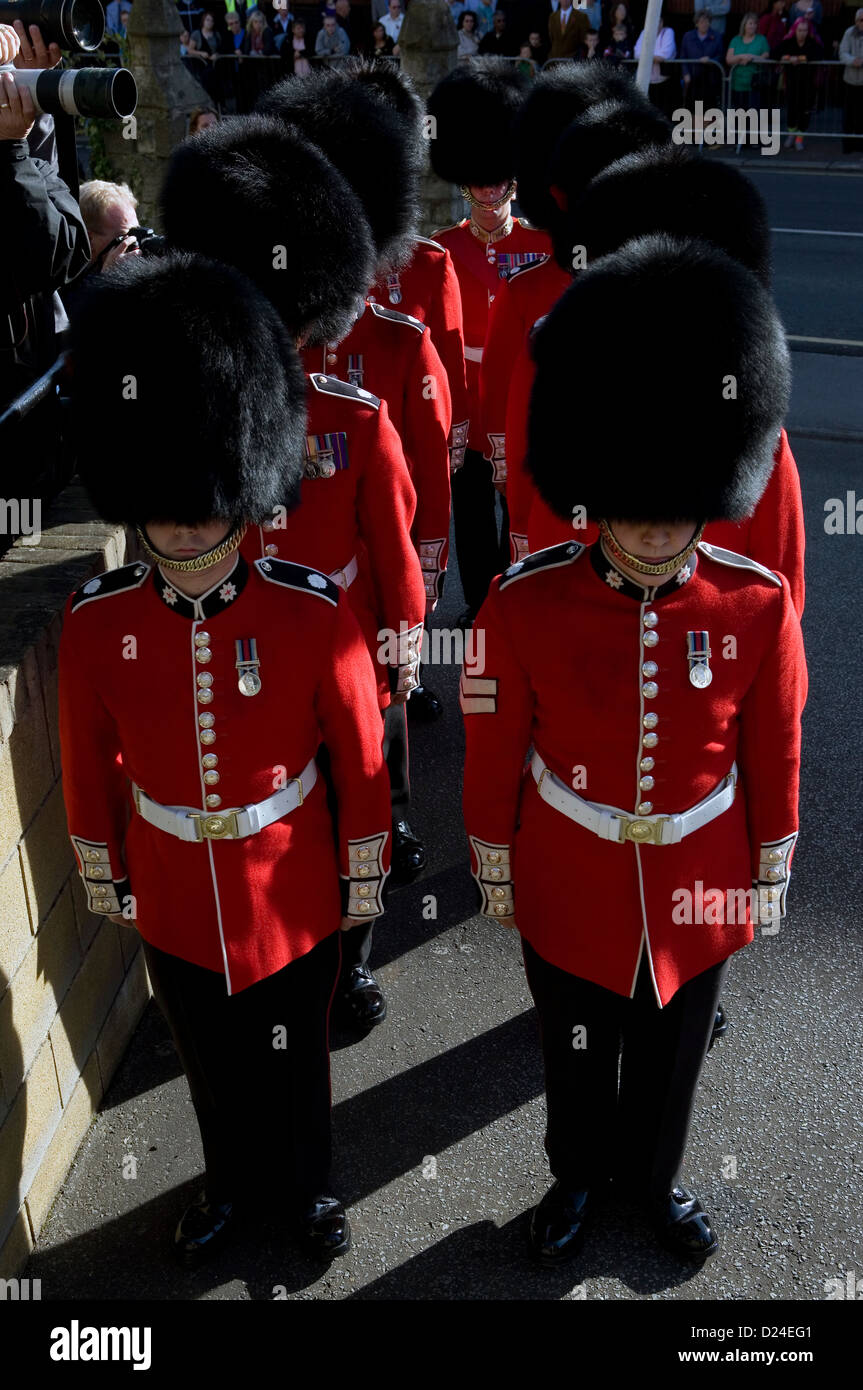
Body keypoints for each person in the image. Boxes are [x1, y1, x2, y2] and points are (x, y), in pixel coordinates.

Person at [462, 234, 806, 1265]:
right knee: (574, 1049)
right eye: (635, 511)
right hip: (569, 863)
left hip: (699, 868)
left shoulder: (754, 603)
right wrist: (492, 853)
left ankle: (651, 1182)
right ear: (593, 484)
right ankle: (574, 1174)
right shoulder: (523, 605)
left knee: (668, 1057)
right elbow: (492, 744)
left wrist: (767, 861)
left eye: (675, 512)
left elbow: (774, 743)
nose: (656, 532)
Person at [61, 252, 392, 1265]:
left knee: (293, 1061)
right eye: (163, 500)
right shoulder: (96, 625)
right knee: (208, 1063)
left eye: (203, 498)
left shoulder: (306, 608)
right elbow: (88, 759)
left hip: (287, 879)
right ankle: (227, 1183)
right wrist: (103, 869)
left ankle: (304, 1189)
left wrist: (360, 871)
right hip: (169, 881)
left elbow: (359, 754)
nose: (183, 519)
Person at [162, 113, 427, 1027]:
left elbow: (394, 554)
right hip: (238, 652)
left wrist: (394, 663)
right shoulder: (197, 418)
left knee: (360, 811)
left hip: (343, 648)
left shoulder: (353, 421)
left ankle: (349, 961)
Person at [427, 62, 550, 628]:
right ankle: (481, 604)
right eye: (479, 177)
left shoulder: (542, 243)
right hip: (467, 409)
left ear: (515, 178)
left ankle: (517, 598)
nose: (489, 187)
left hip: (523, 403)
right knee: (474, 518)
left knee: (521, 514)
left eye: (498, 175)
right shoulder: (442, 248)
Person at [77, 179, 141, 271]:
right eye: (124, 238)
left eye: (137, 232)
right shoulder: (57, 278)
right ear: (88, 240)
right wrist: (109, 278)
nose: (135, 244)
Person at [777, 16, 820, 148]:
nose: (802, 33)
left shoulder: (812, 43)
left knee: (805, 110)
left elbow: (819, 54)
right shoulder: (788, 42)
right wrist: (787, 58)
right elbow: (775, 52)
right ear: (795, 30)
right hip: (791, 81)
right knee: (792, 109)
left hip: (808, 83)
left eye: (805, 30)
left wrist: (800, 58)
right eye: (800, 30)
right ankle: (791, 134)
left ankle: (799, 138)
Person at [635, 11, 678, 117]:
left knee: (665, 112)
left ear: (662, 22)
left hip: (665, 80)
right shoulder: (644, 32)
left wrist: (647, 56)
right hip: (647, 81)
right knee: (648, 111)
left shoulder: (668, 32)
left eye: (658, 21)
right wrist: (655, 57)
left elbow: (665, 54)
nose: (656, 24)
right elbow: (637, 53)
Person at [681, 10, 724, 112]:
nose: (704, 24)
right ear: (696, 23)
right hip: (693, 78)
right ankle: (694, 127)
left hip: (710, 79)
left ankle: (707, 127)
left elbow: (721, 55)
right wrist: (685, 74)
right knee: (692, 109)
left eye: (707, 21)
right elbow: (683, 56)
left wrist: (711, 60)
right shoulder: (688, 36)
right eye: (701, 22)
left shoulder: (717, 36)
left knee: (708, 109)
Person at [727, 12, 770, 110]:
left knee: (753, 117)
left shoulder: (761, 39)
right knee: (739, 115)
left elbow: (765, 57)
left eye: (755, 23)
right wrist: (742, 56)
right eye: (750, 23)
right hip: (737, 84)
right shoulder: (736, 40)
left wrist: (751, 57)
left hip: (754, 84)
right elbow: (729, 59)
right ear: (744, 24)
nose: (753, 26)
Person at [839, 8, 863, 153]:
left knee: (861, 115)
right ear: (856, 21)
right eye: (861, 20)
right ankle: (848, 145)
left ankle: (860, 144)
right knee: (848, 115)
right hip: (850, 80)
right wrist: (852, 60)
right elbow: (843, 52)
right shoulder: (849, 32)